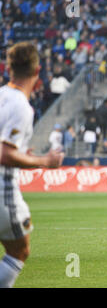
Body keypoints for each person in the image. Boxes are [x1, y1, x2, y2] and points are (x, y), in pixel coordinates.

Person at [0, 42, 64, 288]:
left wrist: (24, 154)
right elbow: (5, 155)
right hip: (3, 190)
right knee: (19, 251)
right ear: (38, 71)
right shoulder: (21, 106)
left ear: (9, 68)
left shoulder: (2, 95)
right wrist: (44, 161)